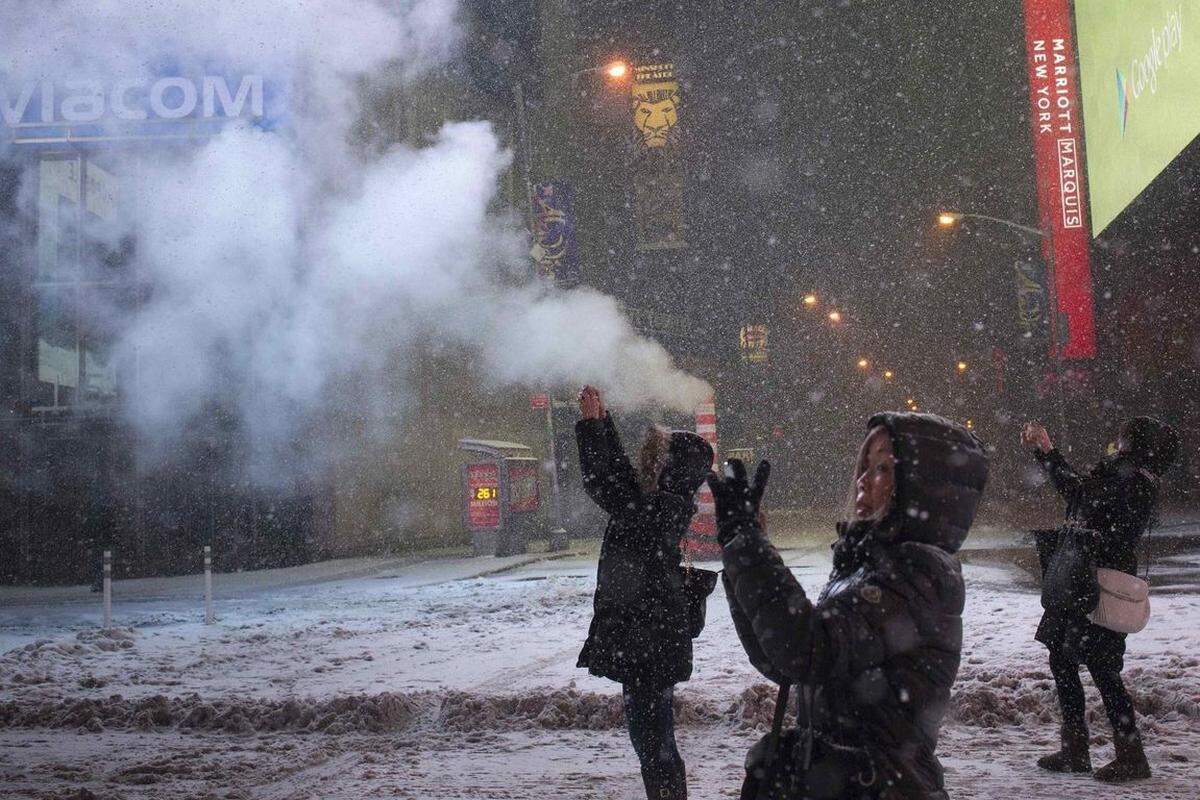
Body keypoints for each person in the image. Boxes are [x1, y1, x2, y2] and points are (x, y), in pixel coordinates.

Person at [710, 412, 989, 800]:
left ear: (922, 487)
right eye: (864, 465)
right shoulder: (868, 568)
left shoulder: (917, 575)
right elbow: (783, 661)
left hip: (882, 787)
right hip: (849, 782)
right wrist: (743, 548)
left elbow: (806, 649)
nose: (863, 478)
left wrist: (746, 544)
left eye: (883, 468)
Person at [575, 385, 716, 800]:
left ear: (667, 472)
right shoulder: (658, 506)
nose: (644, 465)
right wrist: (601, 424)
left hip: (647, 647)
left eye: (653, 460)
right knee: (656, 745)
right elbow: (617, 479)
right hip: (650, 644)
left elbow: (606, 482)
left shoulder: (652, 512)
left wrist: (594, 428)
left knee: (654, 747)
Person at [1021, 417, 1179, 783]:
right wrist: (1048, 451)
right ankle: (1075, 749)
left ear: (1136, 443)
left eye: (1123, 435)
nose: (1116, 439)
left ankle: (1130, 755)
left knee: (1102, 669)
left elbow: (1080, 493)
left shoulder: (1134, 479)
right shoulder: (1128, 475)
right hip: (1081, 578)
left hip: (1097, 583)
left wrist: (1049, 452)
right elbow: (1080, 493)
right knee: (1062, 657)